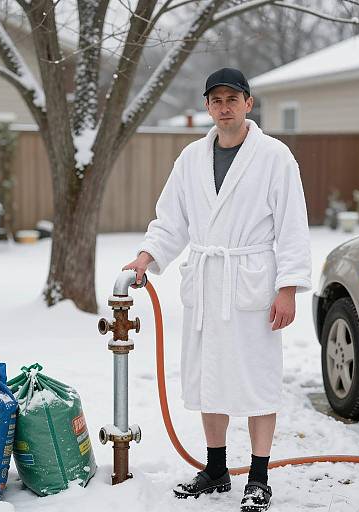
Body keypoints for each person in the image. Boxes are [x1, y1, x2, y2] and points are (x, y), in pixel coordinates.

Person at [122, 67, 311, 511]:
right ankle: (217, 469)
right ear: (207, 106)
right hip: (208, 285)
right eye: (216, 100)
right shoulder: (190, 158)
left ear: (248, 103)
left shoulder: (275, 157)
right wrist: (148, 257)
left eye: (233, 99)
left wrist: (287, 288)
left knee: (257, 380)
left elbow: (292, 228)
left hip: (252, 285)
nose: (224, 107)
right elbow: (172, 220)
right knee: (210, 379)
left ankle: (259, 477)